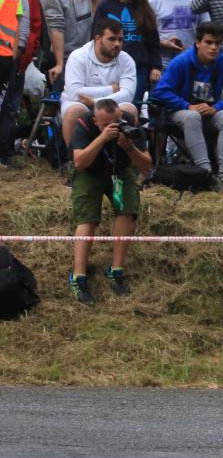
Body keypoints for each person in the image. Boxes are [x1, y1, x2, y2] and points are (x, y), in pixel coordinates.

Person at [67, 98, 152, 305]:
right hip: (90, 171)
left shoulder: (130, 123)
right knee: (87, 218)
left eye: (116, 121)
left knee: (127, 211)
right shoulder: (84, 124)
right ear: (95, 119)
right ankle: (79, 276)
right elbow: (79, 162)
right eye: (106, 124)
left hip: (121, 170)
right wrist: (102, 139)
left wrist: (130, 147)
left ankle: (116, 270)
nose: (114, 127)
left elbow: (147, 166)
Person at [151, 22, 223, 186]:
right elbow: (159, 91)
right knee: (192, 116)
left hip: (209, 113)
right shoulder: (181, 62)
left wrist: (216, 108)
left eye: (218, 43)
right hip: (180, 114)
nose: (214, 47)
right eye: (209, 42)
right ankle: (205, 173)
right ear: (198, 43)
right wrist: (186, 105)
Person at [60, 17, 138, 147]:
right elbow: (75, 93)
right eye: (112, 39)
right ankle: (74, 161)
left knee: (129, 109)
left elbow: (128, 94)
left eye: (120, 39)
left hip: (107, 106)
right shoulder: (78, 56)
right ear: (97, 39)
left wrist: (96, 103)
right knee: (74, 111)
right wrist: (111, 89)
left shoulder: (127, 60)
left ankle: (124, 161)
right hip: (79, 104)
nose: (117, 44)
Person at [94, 0, 162, 103]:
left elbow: (153, 40)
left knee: (132, 108)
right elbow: (95, 36)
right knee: (109, 106)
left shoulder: (144, 7)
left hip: (138, 67)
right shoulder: (105, 5)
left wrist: (155, 66)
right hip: (110, 66)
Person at [148, 0, 208, 69]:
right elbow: (145, 36)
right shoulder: (151, 1)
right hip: (163, 65)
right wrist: (163, 43)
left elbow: (207, 30)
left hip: (192, 63)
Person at [0, 0, 29, 168]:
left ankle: (4, 153)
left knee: (5, 106)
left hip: (5, 56)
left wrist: (17, 48)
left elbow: (20, 17)